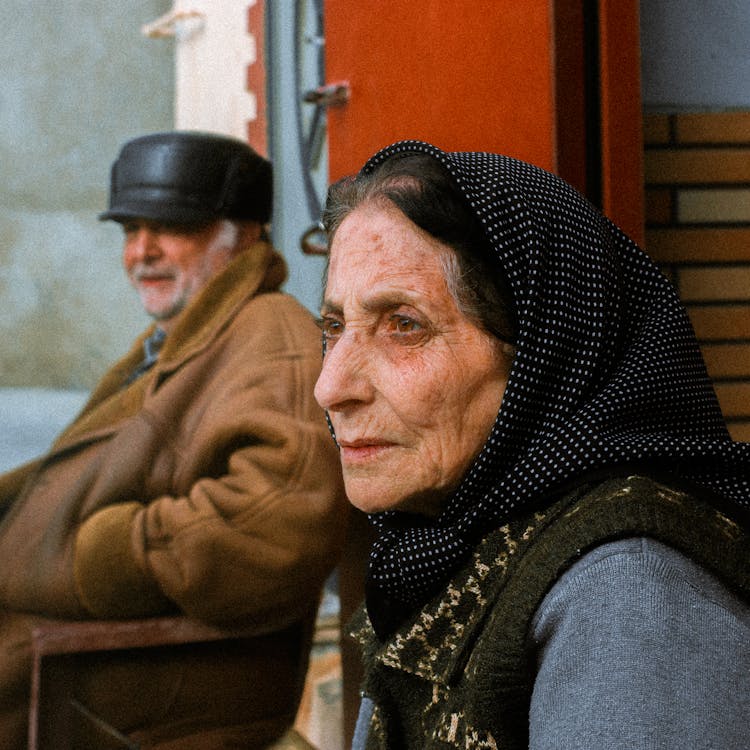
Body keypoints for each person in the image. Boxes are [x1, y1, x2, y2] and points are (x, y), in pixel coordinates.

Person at [314, 140, 750, 749]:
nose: (330, 386)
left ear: (540, 358)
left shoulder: (628, 596)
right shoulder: (446, 545)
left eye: (403, 325)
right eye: (334, 327)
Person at [0, 131, 347, 749]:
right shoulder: (190, 335)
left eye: (170, 228)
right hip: (75, 649)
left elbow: (279, 522)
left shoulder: (273, 336)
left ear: (240, 233)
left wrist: (112, 553)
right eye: (130, 231)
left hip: (148, 689)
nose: (142, 252)